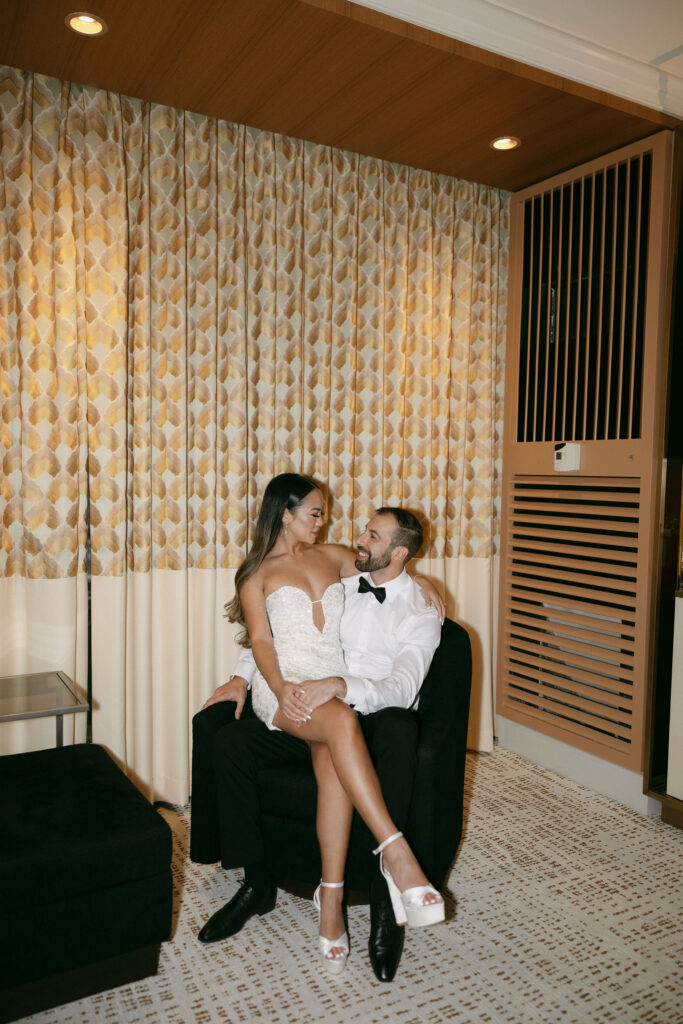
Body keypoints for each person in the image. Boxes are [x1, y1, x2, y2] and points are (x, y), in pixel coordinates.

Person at [192, 473, 444, 978]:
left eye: (322, 513)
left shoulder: (332, 557)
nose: (323, 520)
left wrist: (431, 583)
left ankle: (329, 899)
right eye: (314, 512)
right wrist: (272, 685)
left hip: (330, 683)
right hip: (283, 688)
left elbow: (392, 568)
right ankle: (395, 852)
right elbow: (261, 642)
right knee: (341, 723)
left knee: (332, 755)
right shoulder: (256, 574)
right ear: (284, 514)